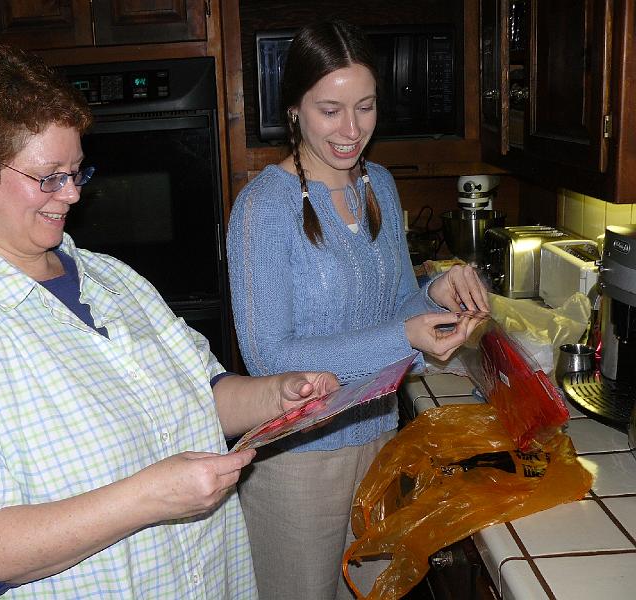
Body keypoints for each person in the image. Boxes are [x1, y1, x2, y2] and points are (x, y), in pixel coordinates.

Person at [0, 44, 340, 600]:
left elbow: (200, 392)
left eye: (76, 171)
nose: (71, 193)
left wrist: (276, 396)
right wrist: (148, 497)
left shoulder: (112, 278)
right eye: (47, 177)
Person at [226, 20, 489, 600]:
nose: (351, 131)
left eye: (365, 108)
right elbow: (269, 355)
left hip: (379, 443)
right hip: (299, 461)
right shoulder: (262, 209)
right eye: (330, 110)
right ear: (293, 110)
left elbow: (397, 307)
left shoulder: (380, 185)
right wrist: (406, 335)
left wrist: (438, 292)